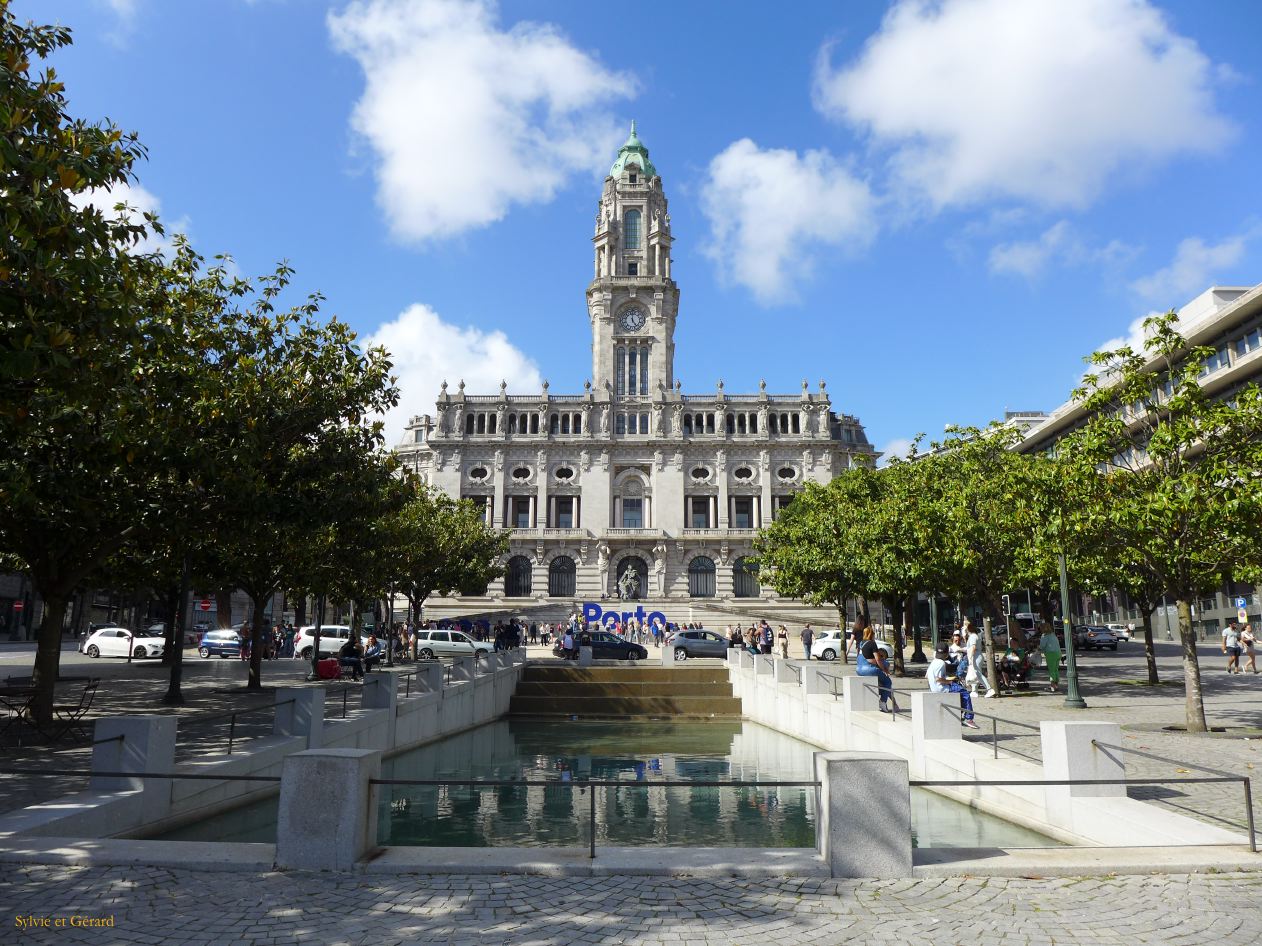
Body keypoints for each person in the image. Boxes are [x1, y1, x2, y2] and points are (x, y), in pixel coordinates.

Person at [928, 645, 979, 729]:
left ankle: (960, 714)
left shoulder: (934, 662)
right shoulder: (941, 663)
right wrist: (949, 681)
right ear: (947, 654)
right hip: (942, 688)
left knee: (959, 690)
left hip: (934, 688)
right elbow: (938, 679)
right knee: (964, 692)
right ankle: (969, 718)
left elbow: (928, 676)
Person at [855, 626, 899, 713]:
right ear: (872, 634)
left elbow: (864, 657)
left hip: (859, 669)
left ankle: (893, 703)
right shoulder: (872, 643)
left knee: (884, 685)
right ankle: (883, 702)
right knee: (888, 682)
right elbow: (878, 659)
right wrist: (885, 670)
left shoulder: (861, 643)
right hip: (869, 669)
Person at [1039, 622, 1062, 693]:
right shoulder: (1053, 635)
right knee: (1056, 669)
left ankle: (1052, 686)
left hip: (1050, 654)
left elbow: (1042, 646)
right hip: (1058, 653)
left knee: (1051, 670)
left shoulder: (1044, 636)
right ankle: (1056, 685)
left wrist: (1037, 650)